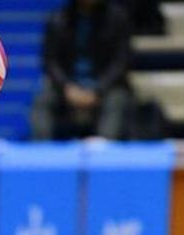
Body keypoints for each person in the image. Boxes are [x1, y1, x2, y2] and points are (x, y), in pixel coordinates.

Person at [30, 0, 134, 141]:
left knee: (117, 99)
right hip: (67, 88)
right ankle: (42, 149)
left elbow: (121, 62)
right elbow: (50, 62)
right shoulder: (58, 18)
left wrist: (98, 90)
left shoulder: (118, 18)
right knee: (42, 100)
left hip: (106, 87)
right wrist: (67, 86)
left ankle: (104, 149)